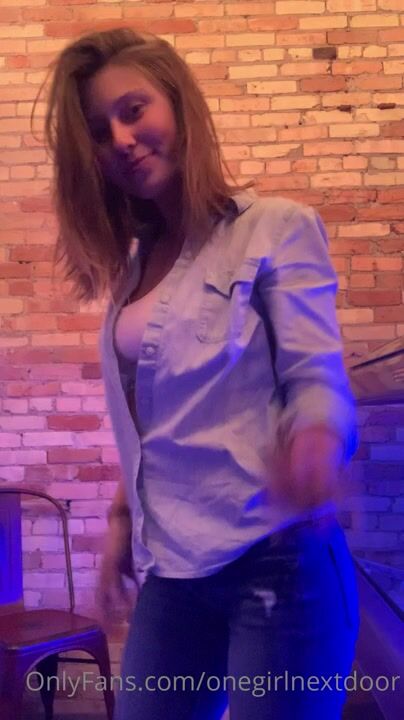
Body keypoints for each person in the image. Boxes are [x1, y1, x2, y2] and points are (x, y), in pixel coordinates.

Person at [43, 27, 359, 720]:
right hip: (174, 568)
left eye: (134, 110)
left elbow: (316, 377)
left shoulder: (274, 227)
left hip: (276, 559)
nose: (121, 139)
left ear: (179, 106)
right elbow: (152, 421)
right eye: (99, 131)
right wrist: (122, 522)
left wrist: (314, 445)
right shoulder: (133, 271)